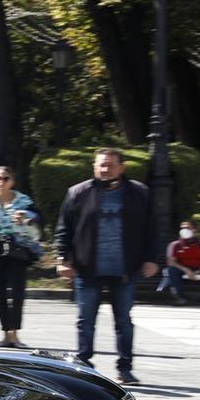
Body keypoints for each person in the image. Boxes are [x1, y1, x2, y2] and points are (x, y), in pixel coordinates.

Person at [55, 147, 158, 383]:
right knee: (85, 320)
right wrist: (62, 259)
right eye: (101, 164)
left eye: (110, 165)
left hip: (124, 269)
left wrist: (152, 258)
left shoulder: (139, 193)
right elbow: (64, 230)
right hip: (87, 267)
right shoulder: (78, 192)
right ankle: (84, 366)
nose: (105, 169)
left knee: (123, 321)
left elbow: (152, 229)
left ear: (122, 168)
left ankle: (125, 367)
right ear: (94, 166)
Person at [0, 165, 44, 347]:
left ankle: (14, 334)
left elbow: (38, 221)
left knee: (17, 292)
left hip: (18, 248)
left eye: (6, 178)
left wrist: (27, 217)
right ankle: (5, 333)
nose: (2, 182)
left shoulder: (23, 201)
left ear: (12, 182)